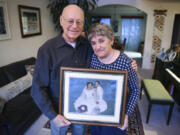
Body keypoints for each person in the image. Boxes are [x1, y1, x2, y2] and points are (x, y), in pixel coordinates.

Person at [31, 4, 138, 135]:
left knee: (80, 132)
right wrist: (52, 116)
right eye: (70, 21)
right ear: (61, 20)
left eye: (79, 22)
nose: (74, 26)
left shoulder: (88, 45)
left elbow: (106, 50)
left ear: (83, 23)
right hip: (58, 111)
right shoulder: (47, 50)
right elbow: (37, 88)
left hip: (85, 108)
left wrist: (130, 63)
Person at [87, 23, 140, 135]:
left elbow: (135, 90)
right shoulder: (92, 58)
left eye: (101, 41)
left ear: (111, 40)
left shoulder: (126, 62)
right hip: (96, 110)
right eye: (93, 43)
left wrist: (126, 114)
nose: (97, 46)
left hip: (116, 114)